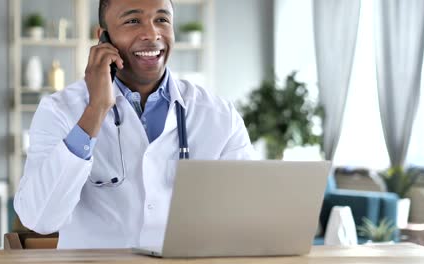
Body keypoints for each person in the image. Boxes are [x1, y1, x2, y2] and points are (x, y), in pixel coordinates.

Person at [14, 0, 254, 249]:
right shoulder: (60, 110)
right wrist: (95, 110)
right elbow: (39, 219)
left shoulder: (219, 116)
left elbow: (253, 212)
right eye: (132, 21)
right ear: (103, 38)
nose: (152, 33)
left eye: (162, 19)